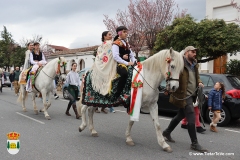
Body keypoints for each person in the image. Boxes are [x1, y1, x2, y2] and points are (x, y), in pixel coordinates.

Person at [162, 46, 208, 153]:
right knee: (191, 116)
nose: (195, 53)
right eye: (193, 51)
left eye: (195, 51)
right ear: (187, 52)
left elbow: (197, 77)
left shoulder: (194, 64)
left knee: (181, 115)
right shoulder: (179, 63)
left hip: (192, 95)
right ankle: (194, 143)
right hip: (183, 95)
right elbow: (170, 74)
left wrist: (200, 81)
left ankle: (166, 132)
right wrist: (168, 88)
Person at [112, 26, 136, 98]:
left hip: (128, 64)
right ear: (119, 33)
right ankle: (118, 94)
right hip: (119, 64)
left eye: (126, 32)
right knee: (124, 74)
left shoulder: (127, 43)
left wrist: (135, 62)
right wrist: (127, 63)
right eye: (124, 32)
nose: (126, 34)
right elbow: (115, 56)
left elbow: (131, 54)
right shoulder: (116, 43)